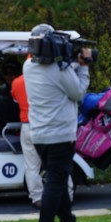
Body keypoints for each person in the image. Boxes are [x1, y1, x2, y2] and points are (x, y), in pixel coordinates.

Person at [24, 23, 91, 222]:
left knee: (58, 179)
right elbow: (78, 92)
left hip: (39, 134)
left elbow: (58, 73)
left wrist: (71, 62)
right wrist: (83, 66)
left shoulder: (28, 66)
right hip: (60, 134)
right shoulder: (59, 70)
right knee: (55, 181)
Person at [11, 63, 73, 209]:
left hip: (27, 125)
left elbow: (15, 100)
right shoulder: (48, 77)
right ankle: (67, 195)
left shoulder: (17, 82)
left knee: (31, 166)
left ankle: (37, 198)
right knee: (59, 163)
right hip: (47, 125)